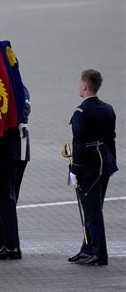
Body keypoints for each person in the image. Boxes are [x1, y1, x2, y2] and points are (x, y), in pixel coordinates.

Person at [67, 69, 117, 266]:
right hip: (104, 162)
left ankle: (99, 252)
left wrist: (74, 169)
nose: (79, 86)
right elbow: (111, 139)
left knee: (92, 211)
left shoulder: (81, 112)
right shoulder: (108, 108)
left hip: (88, 165)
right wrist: (112, 162)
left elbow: (78, 142)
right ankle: (87, 248)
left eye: (80, 83)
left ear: (85, 86)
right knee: (93, 208)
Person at [0, 85, 31, 260]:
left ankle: (12, 245)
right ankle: (3, 239)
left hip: (8, 147)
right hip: (20, 147)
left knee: (6, 198)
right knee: (9, 197)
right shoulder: (21, 88)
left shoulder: (5, 88)